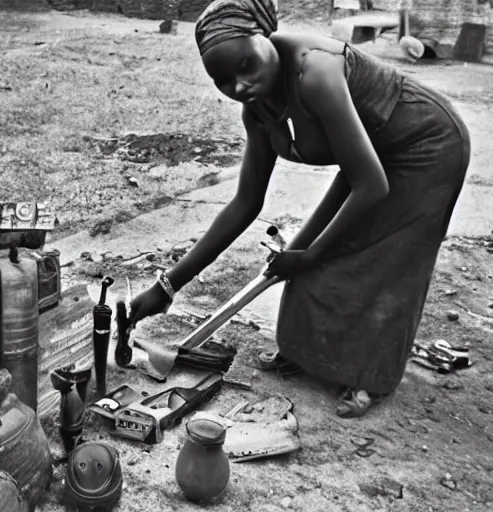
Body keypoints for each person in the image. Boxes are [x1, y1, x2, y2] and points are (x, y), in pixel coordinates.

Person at [129, 0, 471, 418]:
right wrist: (167, 288)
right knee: (295, 256)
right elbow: (244, 204)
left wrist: (310, 254)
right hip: (370, 154)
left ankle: (368, 375)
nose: (239, 86)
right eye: (223, 81)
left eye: (245, 65)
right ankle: (308, 354)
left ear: (266, 35)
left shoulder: (316, 72)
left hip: (426, 145)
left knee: (380, 261)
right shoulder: (257, 109)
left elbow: (370, 186)